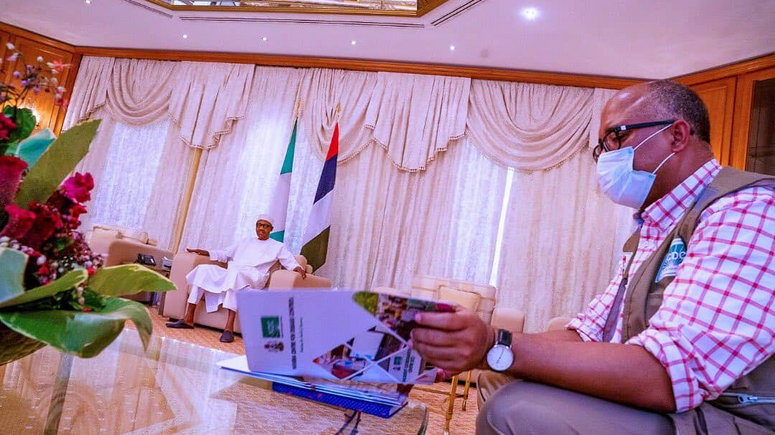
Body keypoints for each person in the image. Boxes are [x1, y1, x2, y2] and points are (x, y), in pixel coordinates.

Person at [410, 80, 773, 434]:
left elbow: (667, 374)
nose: (608, 157)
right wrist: (478, 347)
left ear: (676, 136)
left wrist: (494, 344)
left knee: (513, 410)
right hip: (679, 406)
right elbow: (587, 332)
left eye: (617, 137)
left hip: (725, 417)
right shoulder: (653, 228)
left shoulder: (747, 211)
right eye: (603, 147)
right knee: (497, 379)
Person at [166, 214, 307, 343]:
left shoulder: (278, 246)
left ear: (271, 229)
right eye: (259, 225)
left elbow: (289, 261)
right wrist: (205, 252)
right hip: (235, 271)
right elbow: (225, 254)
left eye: (265, 226)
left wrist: (298, 268)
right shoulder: (245, 241)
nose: (261, 228)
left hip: (255, 276)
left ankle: (229, 328)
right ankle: (188, 319)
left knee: (235, 275)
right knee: (204, 270)